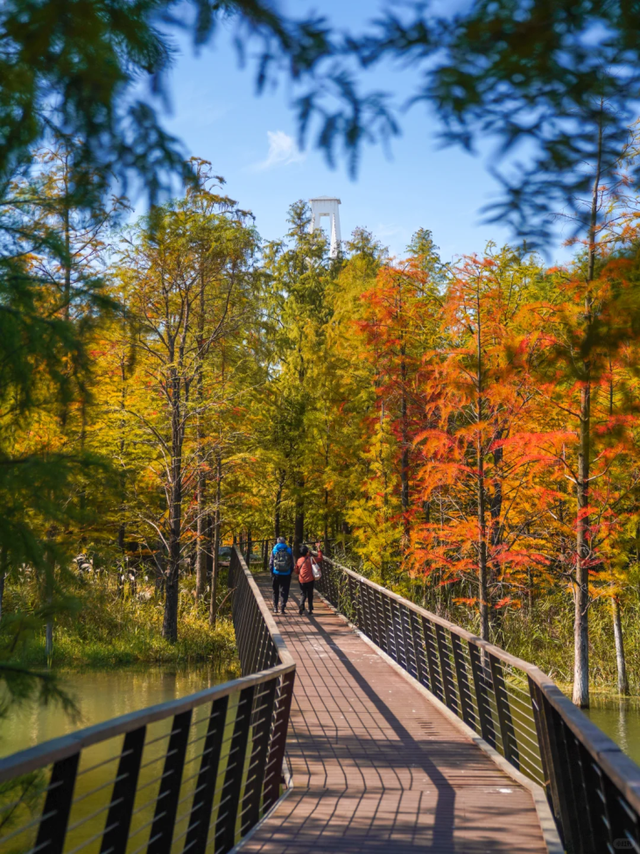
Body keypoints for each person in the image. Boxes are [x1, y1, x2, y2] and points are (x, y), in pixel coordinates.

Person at [269, 536, 293, 614]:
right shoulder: (289, 550)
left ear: (277, 542)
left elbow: (271, 563)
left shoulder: (274, 549)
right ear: (284, 542)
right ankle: (282, 608)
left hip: (276, 573)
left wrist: (271, 573)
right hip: (286, 574)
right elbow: (292, 563)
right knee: (284, 591)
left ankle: (275, 607)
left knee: (275, 591)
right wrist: (290, 572)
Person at [295, 545, 315, 615]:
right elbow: (320, 558)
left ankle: (301, 605)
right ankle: (310, 609)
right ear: (307, 552)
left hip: (302, 580)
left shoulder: (299, 560)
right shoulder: (310, 559)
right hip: (310, 580)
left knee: (303, 593)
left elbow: (296, 570)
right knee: (310, 594)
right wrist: (319, 550)